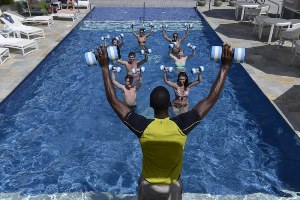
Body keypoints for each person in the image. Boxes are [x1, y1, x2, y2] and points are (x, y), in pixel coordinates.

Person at [94, 44, 233, 199]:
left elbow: (113, 100)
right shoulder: (181, 126)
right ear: (169, 104)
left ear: (151, 105)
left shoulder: (142, 127)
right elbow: (210, 99)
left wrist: (105, 68)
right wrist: (225, 67)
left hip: (148, 187)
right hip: (172, 188)